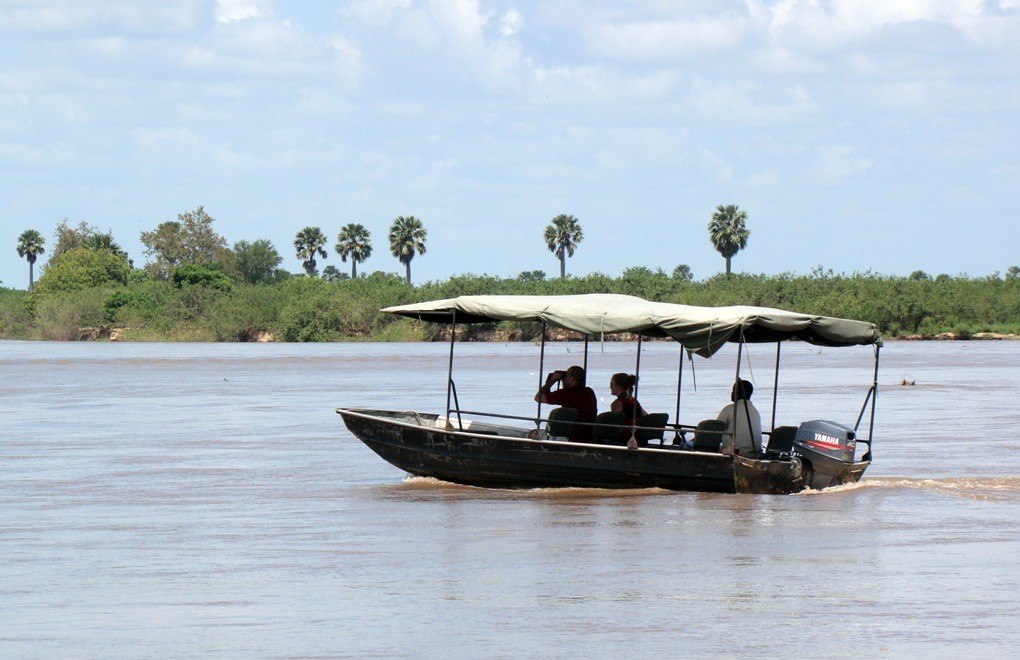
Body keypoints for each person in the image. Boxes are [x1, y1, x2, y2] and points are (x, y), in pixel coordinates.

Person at [534, 365, 598, 442]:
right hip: (587, 435)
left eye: (566, 376)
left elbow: (538, 397)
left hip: (570, 436)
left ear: (571, 379)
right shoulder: (589, 392)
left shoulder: (567, 394)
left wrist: (552, 381)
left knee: (533, 433)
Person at [717, 379, 762, 457]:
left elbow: (715, 429)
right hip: (754, 453)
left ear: (738, 392)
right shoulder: (755, 411)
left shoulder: (729, 409)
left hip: (735, 452)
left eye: (733, 390)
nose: (731, 393)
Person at [610, 372, 647, 442]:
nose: (610, 387)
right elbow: (646, 416)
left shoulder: (616, 404)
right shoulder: (634, 401)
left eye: (612, 385)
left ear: (619, 387)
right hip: (639, 436)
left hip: (626, 438)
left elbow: (615, 426)